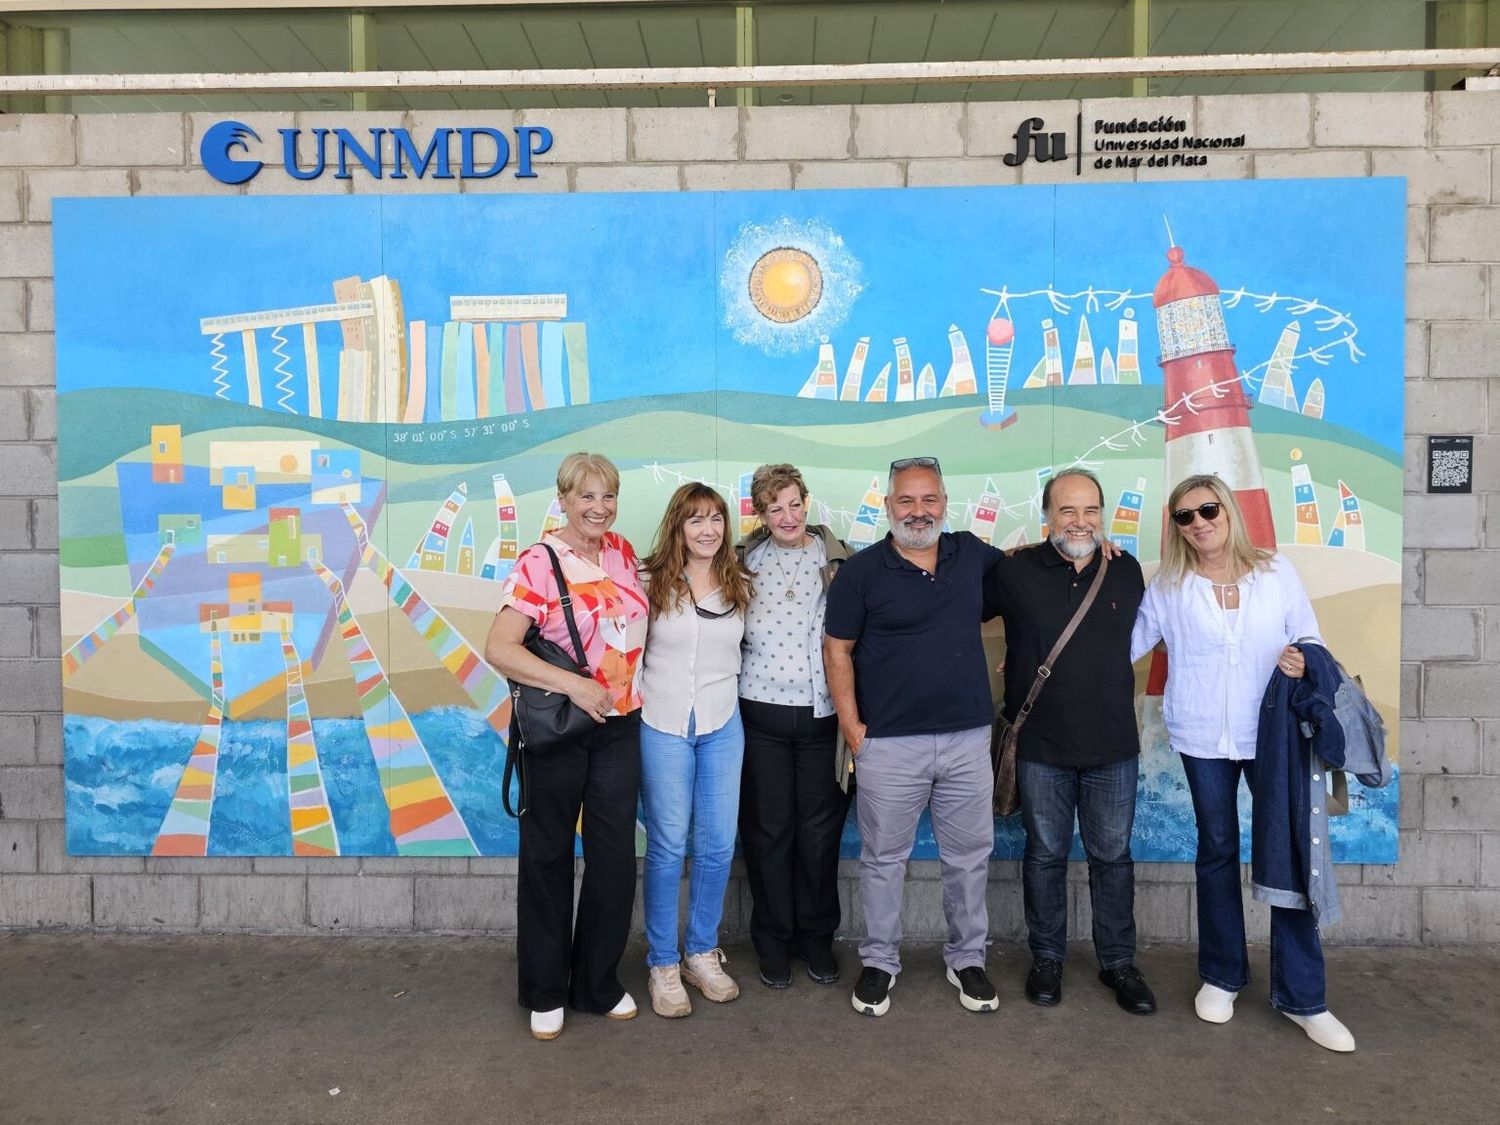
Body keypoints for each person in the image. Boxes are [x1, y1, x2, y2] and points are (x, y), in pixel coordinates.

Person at [1131, 472, 1355, 1052]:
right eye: (1185, 516)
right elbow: (1121, 645)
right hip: (1201, 735)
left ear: (1228, 511)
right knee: (1217, 850)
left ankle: (1305, 998)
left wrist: (1303, 661)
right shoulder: (1169, 586)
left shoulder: (1275, 572)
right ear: (1176, 527)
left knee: (1290, 851)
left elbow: (1311, 638)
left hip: (1274, 735)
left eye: (1208, 509)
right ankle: (1221, 975)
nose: (1199, 522)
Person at [823, 456, 1003, 1018]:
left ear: (945, 503)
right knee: (882, 859)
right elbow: (838, 651)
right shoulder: (862, 572)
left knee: (970, 857)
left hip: (967, 739)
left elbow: (1034, 574)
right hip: (889, 745)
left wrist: (1097, 548)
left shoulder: (972, 555)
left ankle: (967, 959)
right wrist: (854, 730)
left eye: (929, 500)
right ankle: (878, 961)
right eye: (906, 500)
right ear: (889, 506)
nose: (918, 511)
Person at [484, 452, 649, 1042]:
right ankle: (546, 989)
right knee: (548, 856)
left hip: (620, 726)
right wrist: (575, 685)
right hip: (559, 727)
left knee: (612, 861)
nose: (598, 508)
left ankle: (596, 984)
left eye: (607, 496)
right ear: (563, 500)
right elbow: (500, 648)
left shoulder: (624, 552)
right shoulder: (538, 562)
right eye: (586, 497)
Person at [987, 469, 1156, 1015]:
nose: (1079, 522)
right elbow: (950, 606)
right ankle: (1047, 958)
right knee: (1044, 857)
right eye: (1066, 511)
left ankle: (1117, 962)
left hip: (1112, 747)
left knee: (1113, 858)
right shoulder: (1013, 572)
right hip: (1041, 748)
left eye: (1090, 511)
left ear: (1103, 516)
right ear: (1046, 516)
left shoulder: (1125, 570)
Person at [637, 482, 754, 1018]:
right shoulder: (648, 582)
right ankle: (662, 962)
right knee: (665, 845)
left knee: (717, 844)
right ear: (677, 527)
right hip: (662, 724)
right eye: (695, 520)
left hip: (722, 723)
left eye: (715, 519)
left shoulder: (740, 583)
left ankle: (700, 952)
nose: (708, 530)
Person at [735, 463, 854, 989]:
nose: (786, 515)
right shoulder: (739, 562)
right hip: (759, 715)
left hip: (822, 716)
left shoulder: (840, 559)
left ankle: (816, 939)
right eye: (773, 507)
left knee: (819, 835)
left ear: (807, 501)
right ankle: (772, 940)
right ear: (759, 513)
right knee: (768, 833)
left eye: (793, 503)